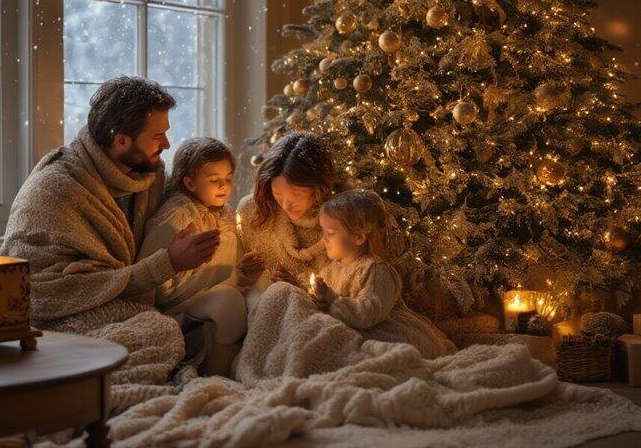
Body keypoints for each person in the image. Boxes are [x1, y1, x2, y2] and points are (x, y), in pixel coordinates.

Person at [0, 76, 221, 411]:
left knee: (163, 330)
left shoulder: (147, 175)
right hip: (57, 316)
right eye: (158, 136)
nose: (167, 144)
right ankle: (68, 397)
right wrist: (167, 262)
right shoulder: (55, 190)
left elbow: (183, 200)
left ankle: (87, 386)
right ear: (120, 141)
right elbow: (38, 291)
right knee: (160, 332)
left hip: (119, 305)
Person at [282, 189, 455, 358]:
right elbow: (320, 299)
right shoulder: (332, 267)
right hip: (351, 327)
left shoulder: (375, 270)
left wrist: (331, 297)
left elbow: (369, 314)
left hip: (383, 331)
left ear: (358, 237)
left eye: (331, 233)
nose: (323, 239)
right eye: (323, 231)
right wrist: (297, 285)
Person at [137, 137, 249, 375]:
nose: (224, 186)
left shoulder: (226, 214)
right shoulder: (178, 215)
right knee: (228, 303)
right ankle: (217, 374)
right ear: (189, 182)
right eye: (214, 180)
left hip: (215, 291)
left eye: (228, 178)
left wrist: (245, 270)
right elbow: (152, 272)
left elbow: (229, 260)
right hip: (181, 301)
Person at [236, 132, 341, 310]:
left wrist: (301, 288)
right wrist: (244, 275)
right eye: (278, 194)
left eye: (297, 195)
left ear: (320, 187)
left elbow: (346, 294)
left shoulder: (342, 220)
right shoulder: (253, 213)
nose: (286, 205)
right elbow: (238, 284)